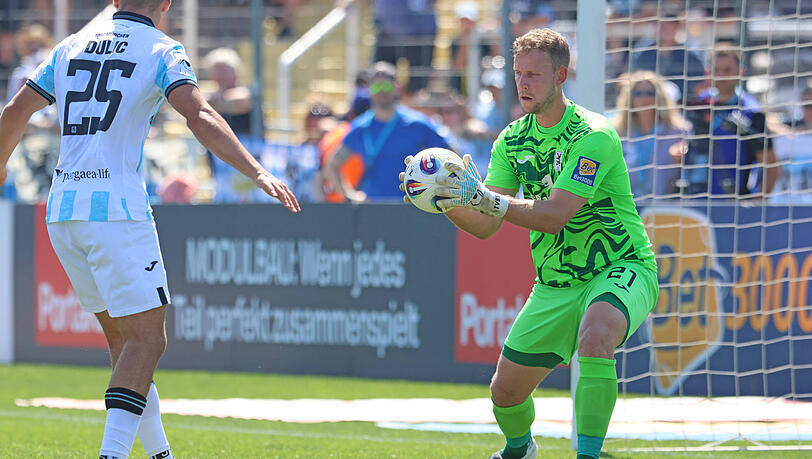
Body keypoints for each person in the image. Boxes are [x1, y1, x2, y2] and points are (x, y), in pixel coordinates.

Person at [0, 2, 300, 458]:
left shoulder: (69, 47)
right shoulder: (162, 49)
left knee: (126, 344)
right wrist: (256, 170)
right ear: (166, 4)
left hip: (62, 210)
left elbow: (15, 112)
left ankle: (160, 453)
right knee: (147, 339)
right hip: (116, 211)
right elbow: (199, 116)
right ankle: (112, 454)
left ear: (116, 1)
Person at [399, 28, 658, 459]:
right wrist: (444, 201)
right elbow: (485, 225)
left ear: (562, 76)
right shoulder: (512, 139)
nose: (523, 84)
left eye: (534, 75)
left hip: (621, 265)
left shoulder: (593, 135)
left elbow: (555, 217)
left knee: (596, 337)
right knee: (505, 392)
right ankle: (520, 449)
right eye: (519, 74)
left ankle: (588, 455)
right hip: (555, 284)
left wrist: (483, 197)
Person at [325, 61, 449, 202]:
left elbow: (451, 156)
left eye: (386, 85)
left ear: (397, 87)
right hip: (374, 209)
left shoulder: (417, 124)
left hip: (412, 208)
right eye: (377, 86)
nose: (382, 91)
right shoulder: (360, 128)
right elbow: (332, 165)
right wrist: (349, 195)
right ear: (369, 89)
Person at [682, 42, 780, 197]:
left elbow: (772, 168)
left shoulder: (752, 113)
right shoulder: (699, 103)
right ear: (708, 72)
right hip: (695, 200)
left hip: (732, 206)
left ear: (741, 72)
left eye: (727, 70)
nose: (721, 76)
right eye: (716, 70)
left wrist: (756, 204)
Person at [611, 70, 690, 199]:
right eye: (638, 93)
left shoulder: (679, 132)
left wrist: (683, 156)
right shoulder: (616, 133)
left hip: (665, 208)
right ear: (630, 98)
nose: (644, 98)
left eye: (650, 93)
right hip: (625, 207)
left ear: (660, 97)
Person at [629, 12, 705, 103]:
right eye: (662, 27)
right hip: (649, 102)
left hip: (680, 104)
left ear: (677, 29)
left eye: (669, 27)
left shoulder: (690, 57)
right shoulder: (644, 54)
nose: (665, 31)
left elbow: (697, 87)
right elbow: (636, 78)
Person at [372, 0, 438, 94]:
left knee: (417, 86)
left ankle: (407, 104)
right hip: (386, 34)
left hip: (420, 36)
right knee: (380, 78)